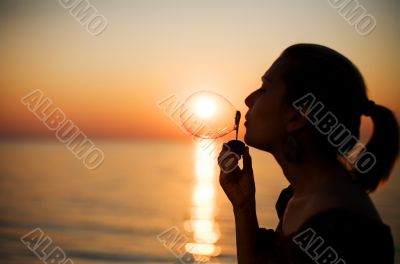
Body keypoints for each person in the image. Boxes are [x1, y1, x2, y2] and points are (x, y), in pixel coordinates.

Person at [218, 44, 398, 264]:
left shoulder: (339, 233)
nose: (248, 99)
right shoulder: (298, 198)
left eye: (264, 88)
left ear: (298, 116)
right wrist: (243, 206)